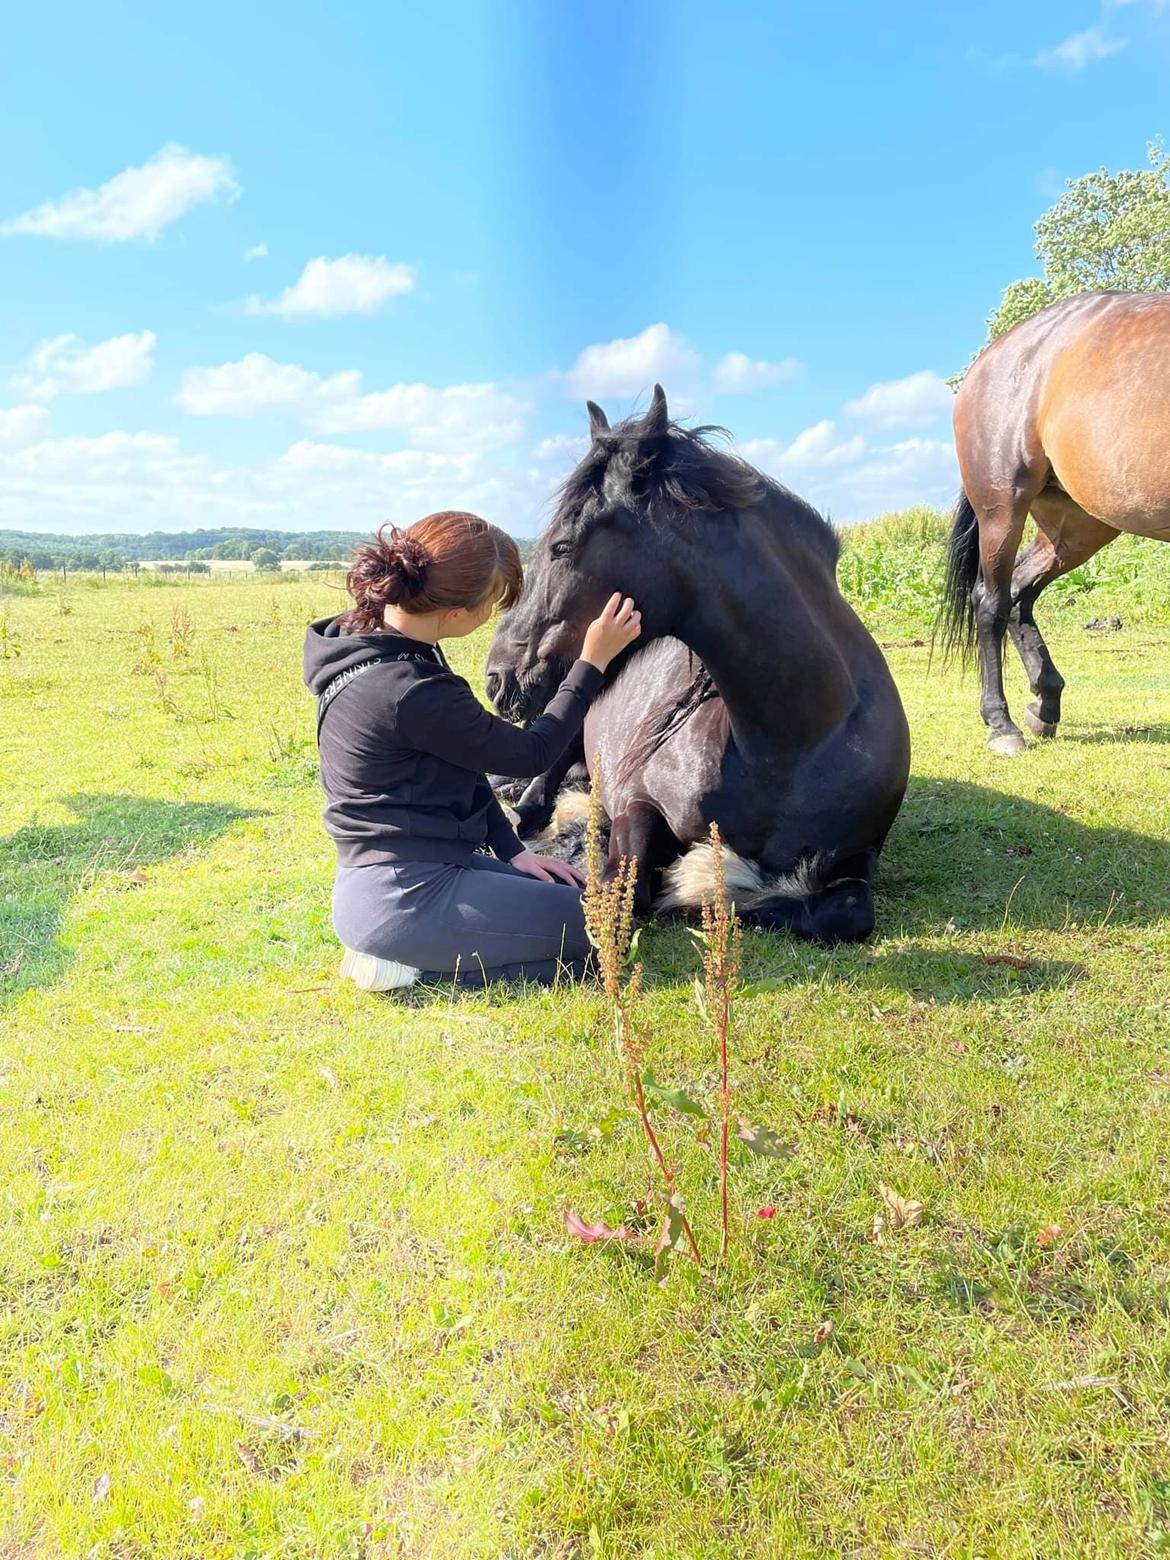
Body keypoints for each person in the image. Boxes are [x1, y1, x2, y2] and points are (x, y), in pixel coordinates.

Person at [303, 511, 641, 991]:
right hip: (406, 896)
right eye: (493, 605)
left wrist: (512, 852)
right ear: (457, 614)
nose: (494, 617)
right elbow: (532, 753)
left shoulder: (369, 641)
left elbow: (460, 764)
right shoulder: (409, 689)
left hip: (407, 872)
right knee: (604, 933)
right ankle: (410, 966)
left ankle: (408, 947)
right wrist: (592, 662)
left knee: (592, 899)